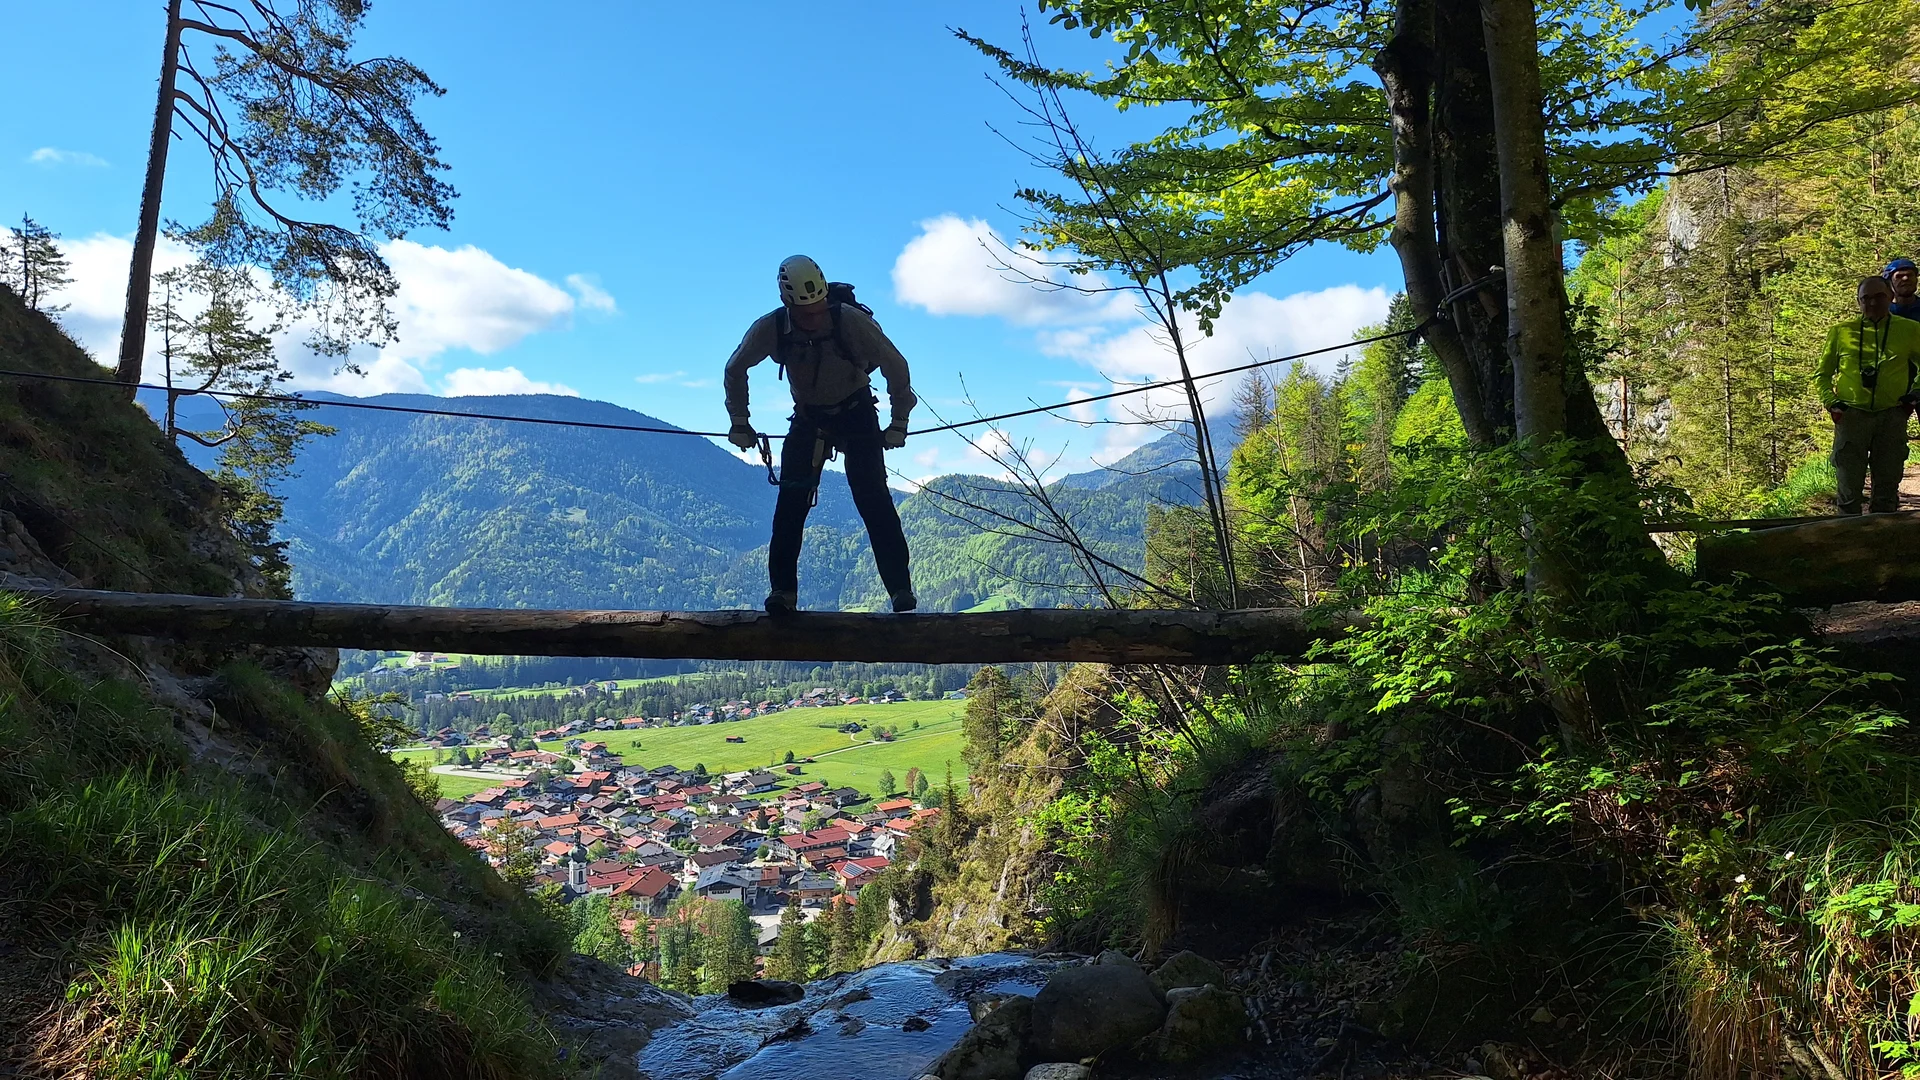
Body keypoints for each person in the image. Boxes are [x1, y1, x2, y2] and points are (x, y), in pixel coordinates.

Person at [724, 254, 917, 614]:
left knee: (873, 499)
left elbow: (895, 365)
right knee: (790, 506)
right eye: (807, 313)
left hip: (856, 410)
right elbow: (735, 369)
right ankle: (782, 593)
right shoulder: (772, 327)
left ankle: (900, 590)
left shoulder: (850, 321)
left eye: (819, 309)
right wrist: (739, 420)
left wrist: (899, 421)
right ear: (787, 303)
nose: (815, 317)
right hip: (809, 416)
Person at [1816, 275, 1920, 514]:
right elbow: (1822, 374)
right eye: (1866, 299)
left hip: (1891, 416)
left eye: (1879, 297)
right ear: (1858, 302)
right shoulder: (1841, 332)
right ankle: (1845, 546)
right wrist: (1832, 403)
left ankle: (1884, 546)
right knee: (1849, 491)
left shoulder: (1910, 330)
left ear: (1891, 297)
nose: (1872, 303)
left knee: (1886, 491)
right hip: (1852, 417)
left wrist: (1914, 395)